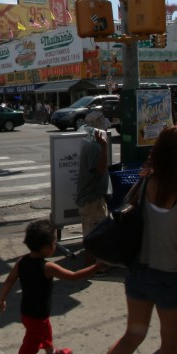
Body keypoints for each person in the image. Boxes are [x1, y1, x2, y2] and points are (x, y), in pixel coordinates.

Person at [66, 124, 177, 354]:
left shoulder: (147, 183)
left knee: (132, 335)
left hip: (138, 272)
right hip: (170, 279)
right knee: (169, 340)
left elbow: (128, 211)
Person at [0, 219, 101, 354]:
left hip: (28, 312)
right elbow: (74, 276)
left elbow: (9, 280)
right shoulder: (48, 267)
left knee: (46, 332)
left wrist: (1, 300)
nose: (55, 245)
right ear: (45, 247)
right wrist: (96, 267)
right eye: (54, 243)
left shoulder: (22, 261)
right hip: (36, 315)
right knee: (31, 345)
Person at [75, 109, 110, 265]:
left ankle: (93, 265)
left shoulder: (89, 143)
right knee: (93, 234)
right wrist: (104, 147)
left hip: (92, 195)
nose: (107, 129)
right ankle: (94, 267)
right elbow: (100, 169)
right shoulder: (94, 147)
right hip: (91, 197)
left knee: (93, 233)